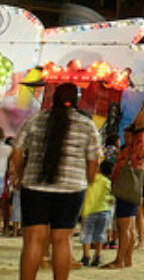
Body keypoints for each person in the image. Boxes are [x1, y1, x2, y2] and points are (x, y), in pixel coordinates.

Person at [10, 83, 101, 280]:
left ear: (53, 98)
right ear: (76, 100)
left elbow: (17, 150)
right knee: (62, 240)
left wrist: (20, 173)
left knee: (33, 240)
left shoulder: (35, 120)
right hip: (71, 188)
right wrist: (88, 180)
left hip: (35, 186)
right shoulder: (87, 125)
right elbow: (94, 161)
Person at [105, 103, 144, 270]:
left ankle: (120, 260)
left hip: (126, 189)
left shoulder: (137, 146)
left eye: (127, 135)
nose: (125, 138)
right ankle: (127, 259)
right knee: (130, 226)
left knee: (124, 226)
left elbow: (139, 125)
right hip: (130, 190)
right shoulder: (131, 148)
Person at [79, 160, 115, 267]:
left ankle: (86, 256)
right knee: (100, 235)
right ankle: (97, 256)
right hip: (104, 210)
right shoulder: (107, 182)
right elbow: (111, 197)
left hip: (89, 210)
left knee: (86, 234)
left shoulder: (90, 179)